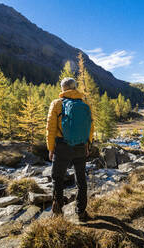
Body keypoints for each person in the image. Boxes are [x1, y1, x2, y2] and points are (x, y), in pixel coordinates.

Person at [46, 77, 94, 221]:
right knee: (81, 180)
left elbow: (50, 128)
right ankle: (81, 212)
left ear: (63, 89)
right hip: (80, 146)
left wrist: (50, 148)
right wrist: (87, 146)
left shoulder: (56, 104)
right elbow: (90, 128)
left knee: (57, 178)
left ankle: (58, 212)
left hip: (62, 146)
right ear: (75, 88)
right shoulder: (84, 104)